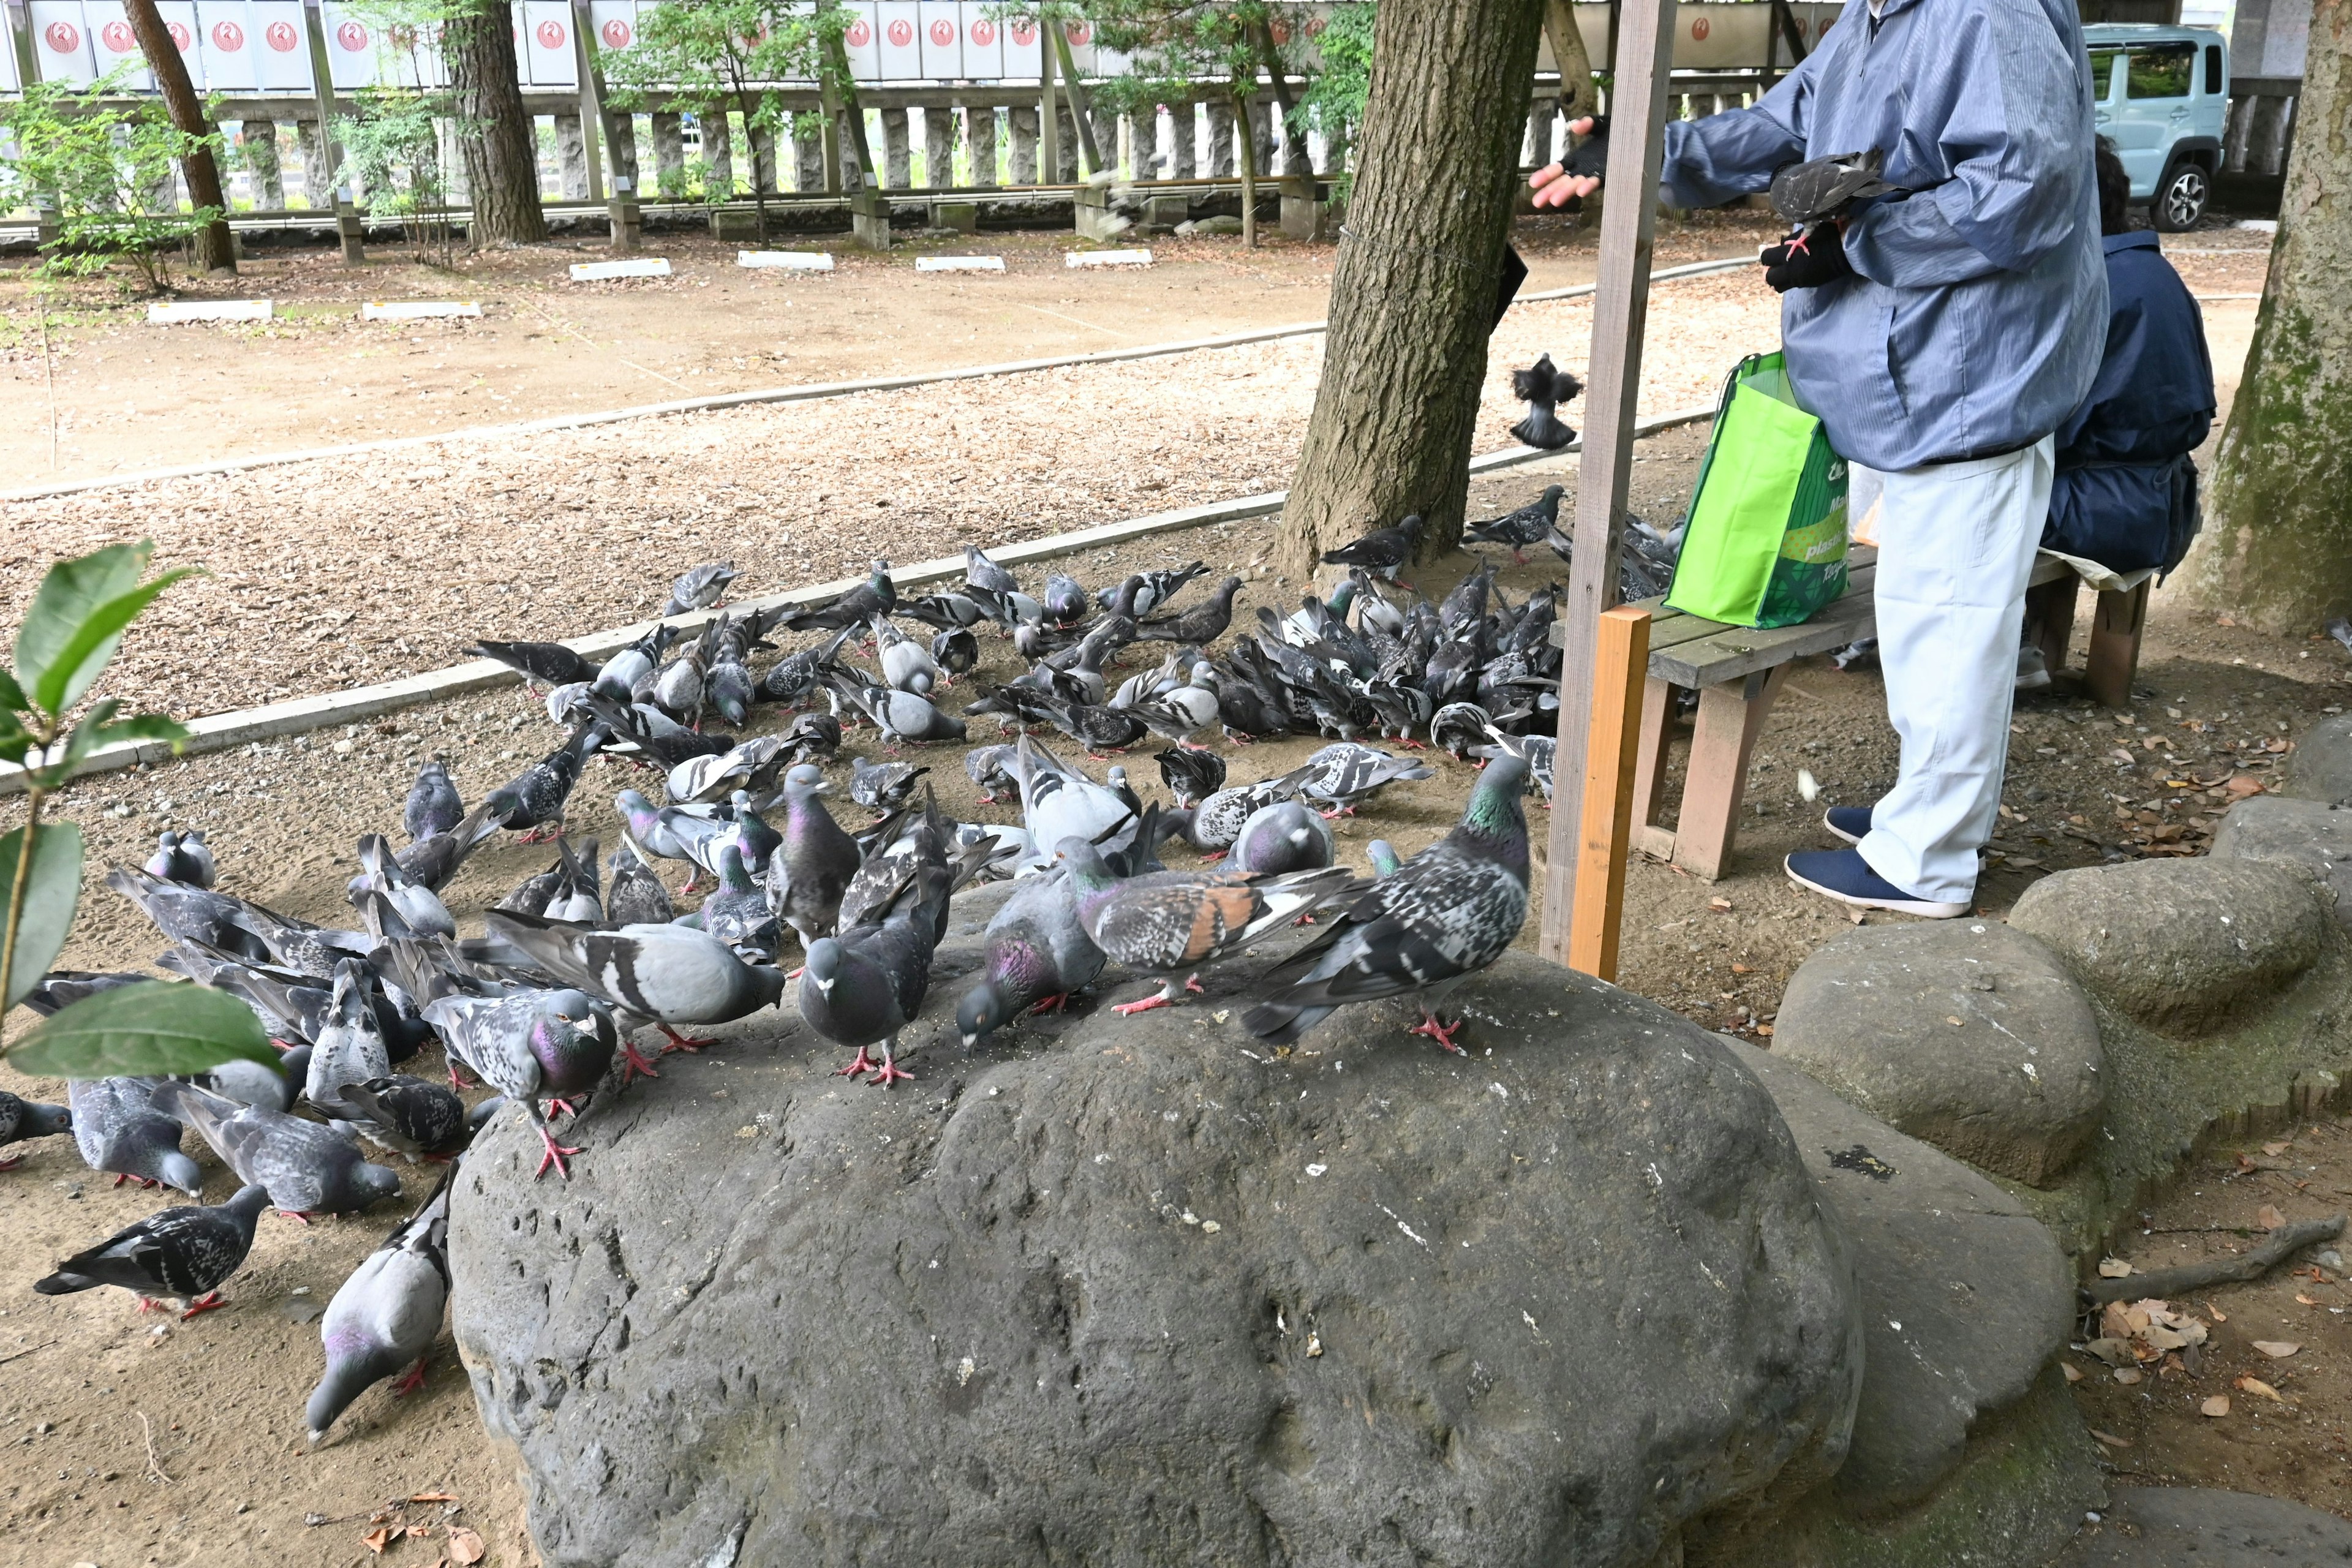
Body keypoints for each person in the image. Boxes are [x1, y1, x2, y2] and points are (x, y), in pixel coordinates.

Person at [1530, 0, 2106, 918]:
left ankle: (1929, 862)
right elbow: (1790, 120)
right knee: (1923, 622)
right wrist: (1648, 154)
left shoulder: (1985, 8)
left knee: (1949, 627)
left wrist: (1857, 243)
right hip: (1910, 378)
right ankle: (1922, 813)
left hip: (1972, 380)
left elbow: (2023, 192)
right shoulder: (1881, 14)